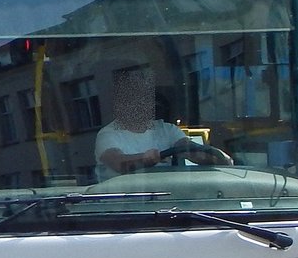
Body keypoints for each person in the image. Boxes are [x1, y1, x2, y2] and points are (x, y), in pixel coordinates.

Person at [95, 71, 230, 179]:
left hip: (165, 202)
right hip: (122, 204)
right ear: (121, 104)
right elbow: (118, 163)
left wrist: (217, 157)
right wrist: (146, 159)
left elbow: (189, 150)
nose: (142, 104)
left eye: (145, 98)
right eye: (134, 99)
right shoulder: (108, 134)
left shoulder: (167, 129)